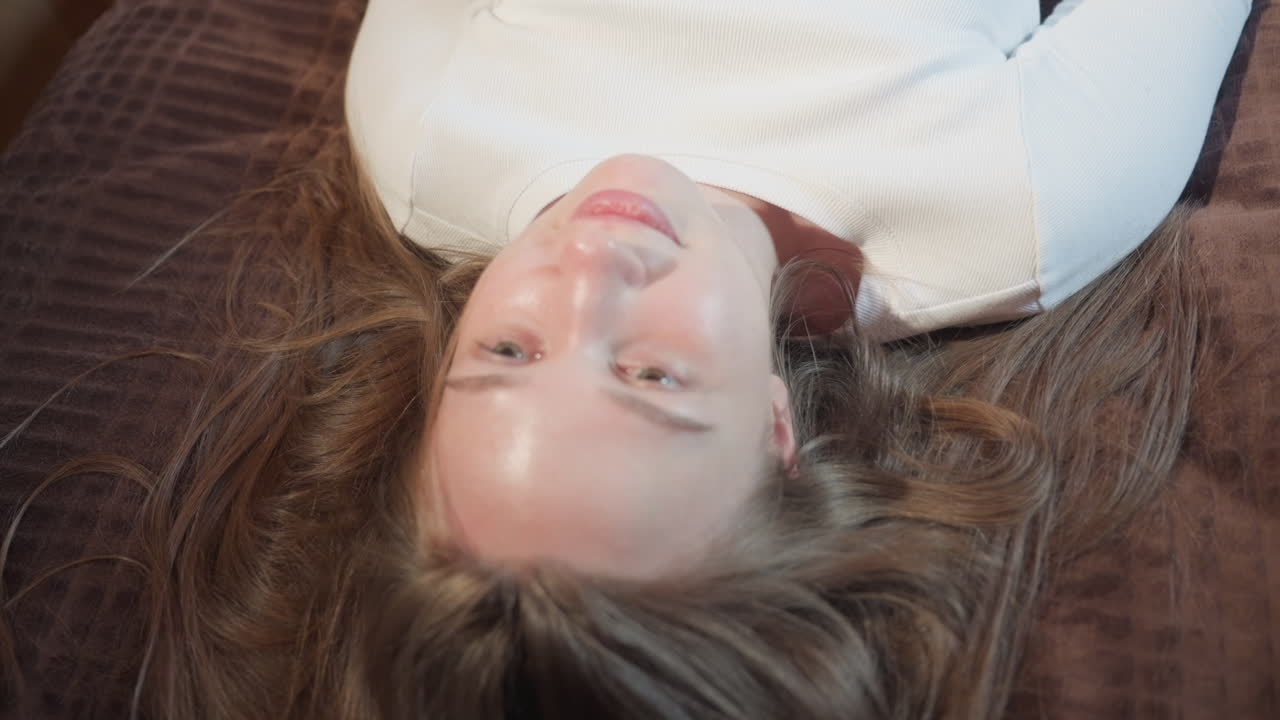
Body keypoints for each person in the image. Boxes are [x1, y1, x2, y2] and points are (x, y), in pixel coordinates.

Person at [0, 1, 1251, 719]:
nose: (590, 273)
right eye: (650, 379)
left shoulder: (427, 144)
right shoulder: (1010, 207)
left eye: (506, 347)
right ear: (776, 432)